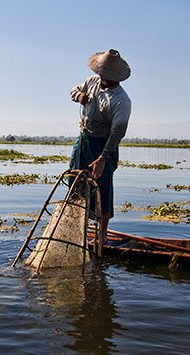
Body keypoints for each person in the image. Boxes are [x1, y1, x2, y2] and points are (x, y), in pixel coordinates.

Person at [69, 48, 131, 241]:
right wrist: (80, 96)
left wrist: (103, 157)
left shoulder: (121, 100)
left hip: (105, 144)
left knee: (102, 188)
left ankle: (102, 235)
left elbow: (117, 133)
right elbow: (73, 91)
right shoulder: (91, 82)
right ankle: (78, 229)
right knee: (75, 181)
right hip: (84, 139)